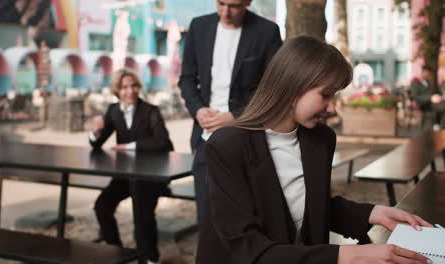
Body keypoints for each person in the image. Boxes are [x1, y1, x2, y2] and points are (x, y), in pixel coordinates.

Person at [197, 36, 434, 264]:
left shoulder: (320, 138)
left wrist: (375, 213)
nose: (332, 108)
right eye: (326, 95)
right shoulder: (227, 146)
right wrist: (349, 256)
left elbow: (308, 205)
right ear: (292, 85)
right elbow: (246, 249)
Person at [179, 0, 282, 223]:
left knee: (247, 215)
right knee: (206, 217)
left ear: (247, 3)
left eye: (234, 5)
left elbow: (273, 87)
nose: (225, 12)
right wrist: (198, 110)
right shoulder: (198, 26)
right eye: (221, 3)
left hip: (248, 134)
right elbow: (186, 79)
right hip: (205, 135)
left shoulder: (267, 31)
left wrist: (235, 116)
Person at [89, 69, 173, 264]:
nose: (131, 91)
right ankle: (115, 252)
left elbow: (163, 143)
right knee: (102, 206)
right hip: (126, 176)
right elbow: (97, 143)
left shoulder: (151, 110)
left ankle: (150, 259)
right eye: (125, 87)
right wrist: (95, 131)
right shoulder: (113, 111)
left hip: (150, 176)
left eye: (134, 85)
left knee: (142, 213)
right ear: (117, 90)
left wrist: (128, 147)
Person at [410, 65, 443, 130]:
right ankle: (438, 126)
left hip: (430, 103)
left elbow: (430, 93)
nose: (430, 76)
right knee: (442, 107)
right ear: (424, 72)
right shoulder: (415, 82)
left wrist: (437, 96)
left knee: (442, 106)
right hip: (422, 104)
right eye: (429, 74)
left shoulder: (426, 82)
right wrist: (430, 98)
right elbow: (415, 96)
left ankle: (438, 126)